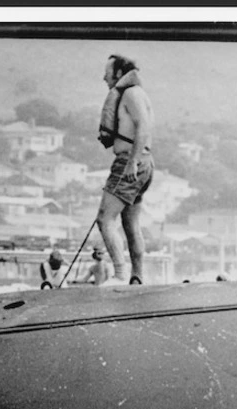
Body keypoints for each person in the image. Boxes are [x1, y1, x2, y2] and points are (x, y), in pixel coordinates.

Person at [96, 53, 155, 286]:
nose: (104, 77)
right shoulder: (137, 93)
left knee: (104, 219)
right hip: (145, 163)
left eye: (108, 72)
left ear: (119, 73)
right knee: (130, 223)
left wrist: (131, 161)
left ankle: (120, 275)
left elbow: (143, 127)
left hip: (131, 162)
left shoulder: (131, 94)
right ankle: (137, 277)